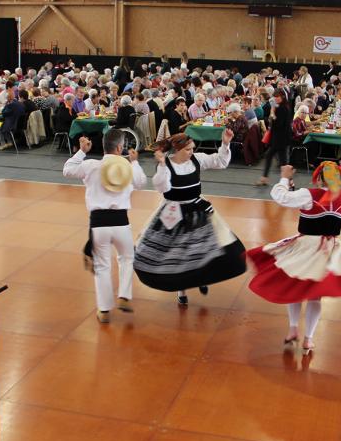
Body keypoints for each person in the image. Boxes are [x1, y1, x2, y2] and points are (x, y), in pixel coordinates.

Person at [246, 161, 341, 354]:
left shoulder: (308, 195)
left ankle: (293, 328)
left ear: (319, 178)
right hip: (328, 251)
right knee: (315, 297)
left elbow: (280, 196)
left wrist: (285, 177)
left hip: (304, 249)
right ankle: (309, 338)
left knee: (294, 286)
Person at [135, 130, 246, 306]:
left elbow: (220, 161)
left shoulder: (197, 159)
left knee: (203, 246)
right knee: (178, 253)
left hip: (197, 209)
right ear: (177, 150)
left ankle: (201, 277)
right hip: (174, 212)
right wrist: (162, 165)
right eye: (188, 149)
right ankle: (182, 290)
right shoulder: (166, 165)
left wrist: (225, 144)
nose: (191, 152)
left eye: (192, 148)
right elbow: (162, 188)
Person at [63, 130, 147, 323]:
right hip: (121, 222)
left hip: (98, 224)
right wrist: (134, 162)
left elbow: (67, 170)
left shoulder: (92, 165)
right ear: (120, 148)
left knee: (102, 266)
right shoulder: (126, 167)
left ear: (103, 146)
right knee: (127, 258)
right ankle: (124, 295)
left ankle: (104, 310)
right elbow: (141, 182)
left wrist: (82, 151)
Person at [258, 89, 292, 186]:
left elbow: (279, 124)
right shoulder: (283, 107)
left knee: (278, 160)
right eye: (275, 97)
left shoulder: (282, 108)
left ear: (282, 97)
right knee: (282, 161)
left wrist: (272, 113)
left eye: (277, 97)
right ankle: (288, 180)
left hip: (280, 138)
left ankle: (266, 178)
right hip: (281, 138)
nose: (276, 98)